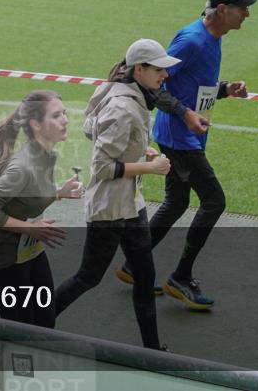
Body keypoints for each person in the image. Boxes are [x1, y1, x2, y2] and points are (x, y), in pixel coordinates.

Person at [131, 0, 255, 310]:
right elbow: (156, 87)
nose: (247, 14)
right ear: (223, 10)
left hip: (189, 133)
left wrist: (227, 89)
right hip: (178, 137)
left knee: (175, 201)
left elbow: (196, 88)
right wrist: (185, 114)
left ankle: (133, 265)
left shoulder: (213, 39)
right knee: (214, 201)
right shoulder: (190, 40)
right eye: (242, 8)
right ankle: (180, 277)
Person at [54, 39, 176, 350]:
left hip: (129, 205)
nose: (165, 75)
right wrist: (151, 167)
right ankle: (31, 323)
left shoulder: (115, 90)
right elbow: (102, 167)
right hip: (110, 209)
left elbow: (92, 132)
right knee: (88, 277)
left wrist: (137, 150)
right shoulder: (123, 107)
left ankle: (153, 350)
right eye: (159, 69)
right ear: (140, 69)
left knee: (145, 276)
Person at [0, 90, 84, 328]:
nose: (65, 119)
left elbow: (28, 196)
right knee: (22, 332)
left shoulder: (44, 154)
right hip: (2, 262)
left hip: (29, 253)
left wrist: (58, 192)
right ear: (35, 124)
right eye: (56, 116)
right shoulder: (22, 167)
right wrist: (29, 228)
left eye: (64, 113)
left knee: (45, 323)